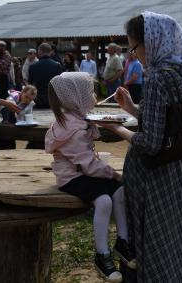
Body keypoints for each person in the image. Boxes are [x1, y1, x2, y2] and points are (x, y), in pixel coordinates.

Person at [98, 12, 182, 282]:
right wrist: (132, 109)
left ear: (153, 41)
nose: (134, 55)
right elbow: (170, 125)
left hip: (152, 175)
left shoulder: (159, 79)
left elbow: (150, 142)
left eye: (134, 47)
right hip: (176, 170)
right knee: (175, 234)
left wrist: (116, 127)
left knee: (153, 236)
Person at [45, 72, 135, 283]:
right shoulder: (73, 129)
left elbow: (90, 166)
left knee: (120, 192)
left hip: (86, 172)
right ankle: (102, 255)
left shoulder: (76, 117)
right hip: (72, 177)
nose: (94, 96)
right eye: (91, 92)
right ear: (76, 98)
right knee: (104, 200)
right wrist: (114, 174)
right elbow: (88, 165)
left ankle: (123, 242)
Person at [28, 43, 63, 108]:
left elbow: (30, 85)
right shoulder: (57, 66)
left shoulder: (33, 67)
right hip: (53, 101)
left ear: (39, 52)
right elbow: (60, 85)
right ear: (50, 52)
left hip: (38, 101)